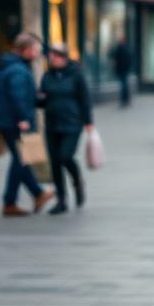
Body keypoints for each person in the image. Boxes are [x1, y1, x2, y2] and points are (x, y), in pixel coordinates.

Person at [0, 33, 54, 217]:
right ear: (27, 49)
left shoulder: (7, 66)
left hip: (7, 121)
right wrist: (23, 119)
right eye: (37, 49)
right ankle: (28, 196)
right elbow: (18, 96)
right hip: (17, 123)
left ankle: (18, 200)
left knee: (20, 160)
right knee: (22, 160)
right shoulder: (18, 70)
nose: (39, 53)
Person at [39, 43, 93, 215]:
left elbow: (85, 99)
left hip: (72, 123)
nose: (52, 59)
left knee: (66, 156)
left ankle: (77, 181)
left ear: (63, 57)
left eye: (55, 56)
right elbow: (42, 99)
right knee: (55, 162)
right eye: (51, 57)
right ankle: (61, 200)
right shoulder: (47, 76)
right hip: (52, 124)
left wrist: (88, 122)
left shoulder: (76, 75)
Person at [110, 36, 133, 107]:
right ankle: (125, 99)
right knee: (124, 85)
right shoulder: (124, 48)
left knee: (123, 85)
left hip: (123, 70)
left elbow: (114, 56)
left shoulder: (122, 49)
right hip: (123, 70)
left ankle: (124, 99)